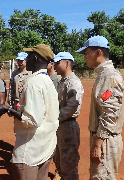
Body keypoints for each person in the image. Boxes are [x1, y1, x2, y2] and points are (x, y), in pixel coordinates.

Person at [0, 44, 60, 180]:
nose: (25, 60)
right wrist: (16, 110)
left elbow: (32, 120)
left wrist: (7, 109)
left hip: (30, 150)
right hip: (45, 147)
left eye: (28, 57)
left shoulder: (34, 83)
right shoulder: (47, 81)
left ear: (35, 59)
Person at [76, 36, 124, 179]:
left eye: (86, 53)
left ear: (98, 52)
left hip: (105, 139)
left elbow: (110, 114)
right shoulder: (103, 75)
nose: (84, 56)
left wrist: (98, 143)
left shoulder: (109, 77)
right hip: (103, 138)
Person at [53, 52, 84, 180]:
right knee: (59, 160)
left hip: (67, 125)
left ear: (67, 63)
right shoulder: (63, 81)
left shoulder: (73, 82)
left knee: (69, 165)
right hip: (60, 125)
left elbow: (72, 107)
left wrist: (54, 118)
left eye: (57, 62)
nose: (55, 65)